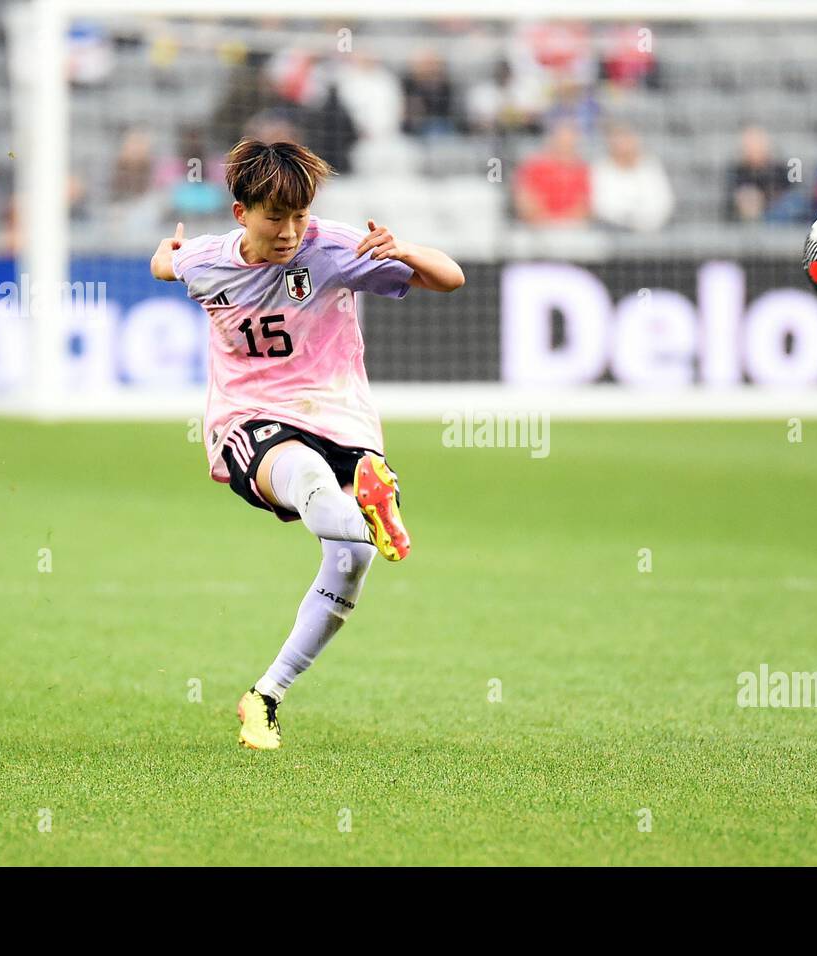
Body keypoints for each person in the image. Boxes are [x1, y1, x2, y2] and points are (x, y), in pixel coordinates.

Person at [149, 140, 464, 751]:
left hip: (339, 418)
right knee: (316, 486)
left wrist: (403, 250)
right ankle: (379, 499)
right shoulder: (208, 261)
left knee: (352, 557)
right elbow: (170, 264)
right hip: (250, 421)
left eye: (300, 215)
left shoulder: (332, 247)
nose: (292, 230)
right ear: (241, 212)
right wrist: (164, 255)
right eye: (276, 216)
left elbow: (450, 279)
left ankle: (265, 696)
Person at [590, 122, 673, 233]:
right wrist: (626, 221)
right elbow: (601, 205)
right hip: (612, 231)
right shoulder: (600, 168)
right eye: (617, 138)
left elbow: (663, 201)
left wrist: (644, 220)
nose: (622, 143)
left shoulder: (650, 165)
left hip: (652, 230)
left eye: (626, 137)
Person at [514, 120, 591, 225]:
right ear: (552, 140)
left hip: (573, 229)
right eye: (561, 140)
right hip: (536, 228)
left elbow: (584, 206)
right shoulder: (532, 167)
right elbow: (525, 202)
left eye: (569, 142)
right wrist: (546, 221)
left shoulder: (583, 170)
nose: (565, 145)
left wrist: (563, 223)